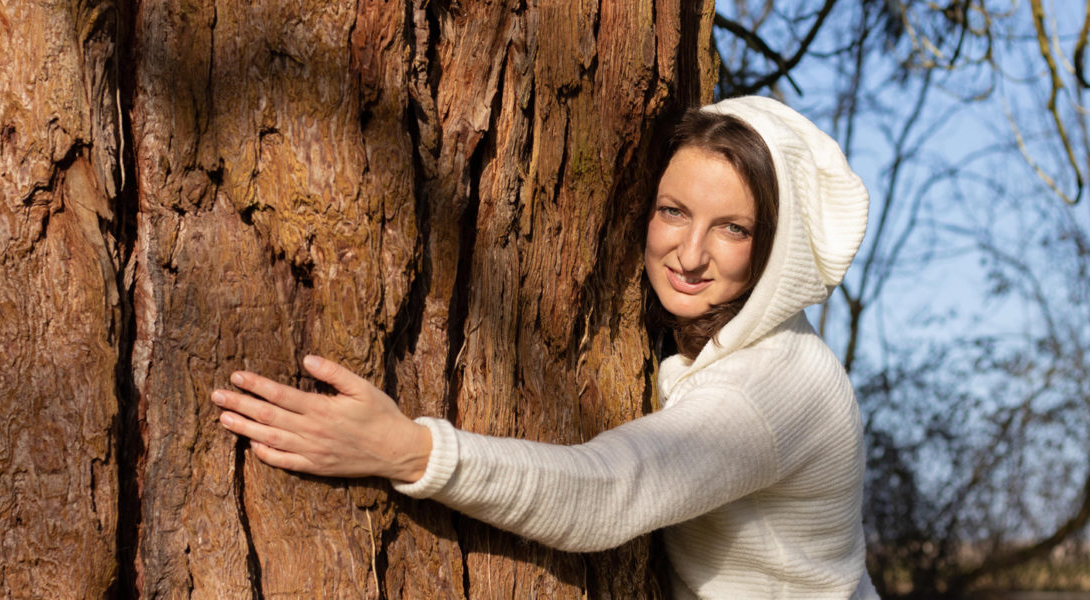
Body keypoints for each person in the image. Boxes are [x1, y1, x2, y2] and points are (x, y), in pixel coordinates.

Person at [211, 96, 879, 599]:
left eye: (732, 228)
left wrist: (406, 450)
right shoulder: (719, 344)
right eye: (673, 211)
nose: (691, 253)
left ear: (774, 248)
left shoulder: (773, 386)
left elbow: (608, 492)